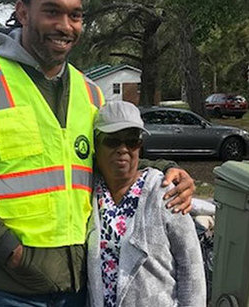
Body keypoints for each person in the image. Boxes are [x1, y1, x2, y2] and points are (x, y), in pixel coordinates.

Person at [0, 0, 196, 306]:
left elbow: (105, 157)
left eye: (75, 15)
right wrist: (7, 249)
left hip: (83, 282)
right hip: (12, 285)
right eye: (52, 12)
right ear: (23, 12)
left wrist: (166, 171)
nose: (65, 26)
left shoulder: (90, 92)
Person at [87, 101, 206, 307]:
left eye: (132, 141)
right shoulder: (90, 191)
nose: (123, 149)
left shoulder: (164, 192)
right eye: (112, 141)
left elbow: (191, 267)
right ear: (96, 145)